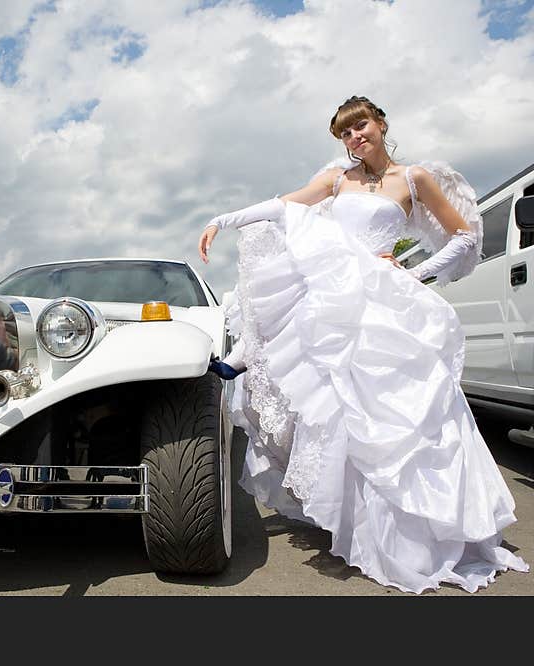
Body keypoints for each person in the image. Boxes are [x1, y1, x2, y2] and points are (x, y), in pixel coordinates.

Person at [197, 95, 528, 593]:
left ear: (380, 124)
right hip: (336, 296)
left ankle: (417, 532)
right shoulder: (337, 179)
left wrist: (416, 272)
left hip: (384, 295)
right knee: (339, 407)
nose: (354, 138)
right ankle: (357, 519)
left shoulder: (414, 179)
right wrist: (224, 219)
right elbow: (284, 204)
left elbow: (462, 236)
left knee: (397, 409)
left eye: (361, 127)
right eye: (345, 133)